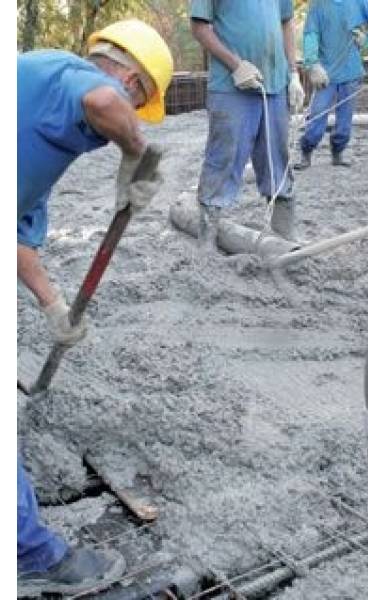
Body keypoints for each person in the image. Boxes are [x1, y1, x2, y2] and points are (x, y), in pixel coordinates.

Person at [17, 19, 173, 597]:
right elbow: (102, 100)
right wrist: (138, 153)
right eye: (139, 101)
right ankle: (30, 554)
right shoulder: (64, 74)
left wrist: (55, 307)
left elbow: (18, 241)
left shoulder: (34, 137)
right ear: (131, 78)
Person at [176, 0, 305, 245]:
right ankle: (208, 238)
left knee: (277, 158)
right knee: (224, 157)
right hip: (230, 86)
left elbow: (286, 21)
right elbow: (199, 27)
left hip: (276, 84)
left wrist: (293, 72)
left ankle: (284, 235)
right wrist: (236, 65)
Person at [294, 0, 368, 170]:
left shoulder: (360, 2)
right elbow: (311, 35)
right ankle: (306, 152)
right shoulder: (318, 6)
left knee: (345, 121)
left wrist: (367, 38)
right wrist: (313, 63)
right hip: (325, 75)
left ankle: (338, 152)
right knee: (317, 115)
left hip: (351, 72)